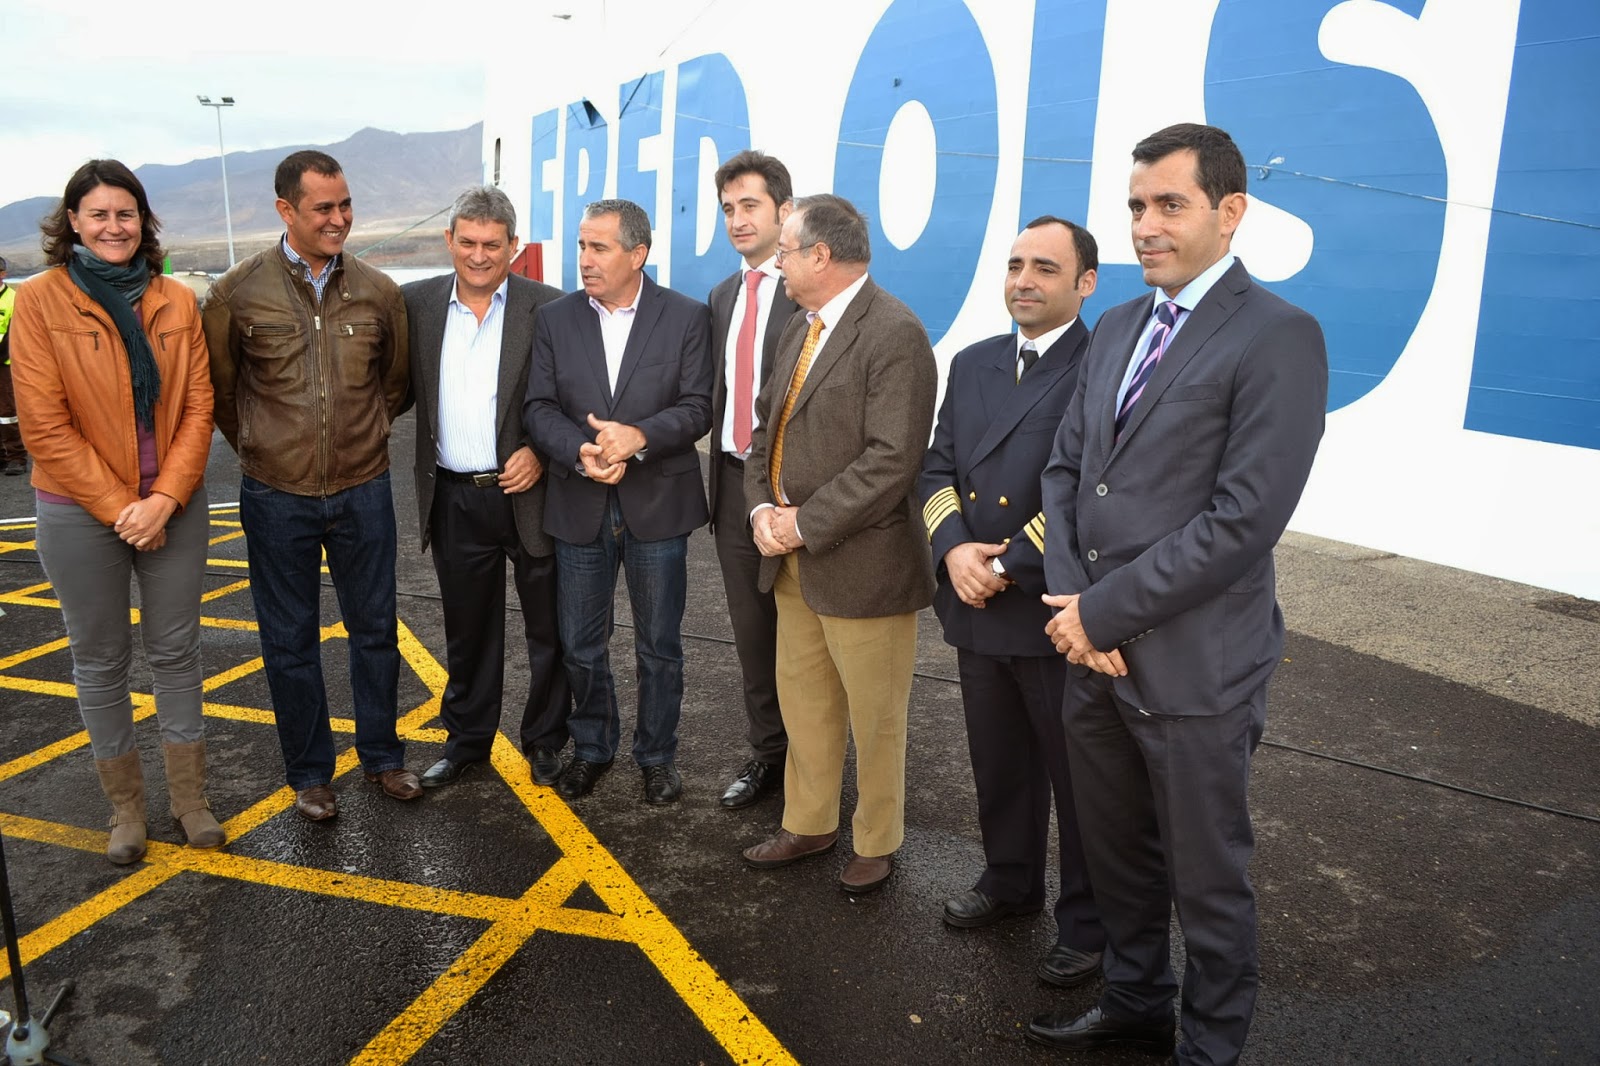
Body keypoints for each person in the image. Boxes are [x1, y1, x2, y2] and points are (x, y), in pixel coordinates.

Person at [1026, 124, 1329, 1065]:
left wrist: (1102, 613)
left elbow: (1243, 521)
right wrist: (1076, 610)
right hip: (1093, 656)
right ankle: (1136, 1002)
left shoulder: (1279, 335)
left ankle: (1210, 1046)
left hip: (1196, 670)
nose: (1145, 225)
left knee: (1207, 881)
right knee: (1116, 855)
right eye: (1135, 206)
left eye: (1169, 204)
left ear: (1230, 212)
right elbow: (1066, 472)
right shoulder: (1119, 325)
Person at [9, 159, 222, 863]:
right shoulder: (40, 302)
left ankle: (190, 802)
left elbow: (198, 407)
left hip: (172, 503)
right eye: (98, 214)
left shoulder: (175, 300)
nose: (113, 226)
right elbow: (43, 426)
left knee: (176, 653)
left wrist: (163, 499)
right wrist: (122, 508)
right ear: (72, 221)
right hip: (77, 510)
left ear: (143, 220)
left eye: (125, 214)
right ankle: (126, 810)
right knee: (99, 660)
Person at [203, 150, 417, 823]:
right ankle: (311, 774)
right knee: (289, 641)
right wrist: (263, 447)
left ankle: (382, 757)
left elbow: (394, 385)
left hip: (363, 488)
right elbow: (224, 393)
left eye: (345, 204)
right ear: (285, 210)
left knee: (375, 631)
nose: (339, 218)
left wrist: (362, 437)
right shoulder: (237, 293)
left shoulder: (379, 291)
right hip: (276, 495)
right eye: (323, 207)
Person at [918, 216, 1105, 985]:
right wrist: (954, 548)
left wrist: (1005, 563)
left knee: (1079, 780)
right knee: (999, 763)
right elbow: (937, 468)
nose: (1024, 280)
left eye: (1045, 268)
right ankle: (1009, 880)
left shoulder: (1101, 366)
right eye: (1015, 264)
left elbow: (1086, 487)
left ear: (1085, 283)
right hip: (975, 599)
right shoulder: (973, 362)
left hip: (1051, 609)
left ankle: (1089, 924)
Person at [740, 194, 937, 896]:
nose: (777, 264)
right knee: (806, 703)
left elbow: (892, 460)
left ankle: (877, 841)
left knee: (876, 718)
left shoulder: (895, 333)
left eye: (785, 252)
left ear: (820, 255)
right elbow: (764, 430)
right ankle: (809, 822)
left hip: (864, 566)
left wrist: (803, 523)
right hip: (793, 561)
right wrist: (762, 508)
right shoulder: (801, 327)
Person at [523, 198, 713, 805]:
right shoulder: (555, 319)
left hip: (658, 504)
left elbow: (698, 406)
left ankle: (657, 756)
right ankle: (593, 748)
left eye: (599, 247)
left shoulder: (686, 316)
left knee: (660, 645)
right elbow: (538, 408)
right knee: (581, 644)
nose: (585, 259)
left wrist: (638, 437)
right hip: (579, 500)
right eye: (582, 245)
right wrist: (580, 452)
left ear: (638, 254)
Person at [402, 186, 571, 789]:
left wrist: (542, 454)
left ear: (513, 246)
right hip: (453, 496)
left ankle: (546, 740)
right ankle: (467, 741)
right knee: (467, 630)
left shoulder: (550, 308)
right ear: (449, 240)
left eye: (492, 245)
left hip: (530, 495)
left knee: (549, 628)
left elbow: (573, 397)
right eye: (468, 242)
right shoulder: (416, 305)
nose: (479, 256)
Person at [705, 151, 799, 809]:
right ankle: (769, 755)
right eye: (728, 209)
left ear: (784, 211)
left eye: (750, 206)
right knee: (753, 636)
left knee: (809, 642)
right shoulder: (722, 297)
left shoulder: (808, 293)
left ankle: (816, 768)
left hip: (797, 497)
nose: (738, 220)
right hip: (735, 488)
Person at [0, 255, 30, 476]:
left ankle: (16, 457)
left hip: (4, 364)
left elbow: (14, 334)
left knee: (7, 413)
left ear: (3, 274)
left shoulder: (14, 299)